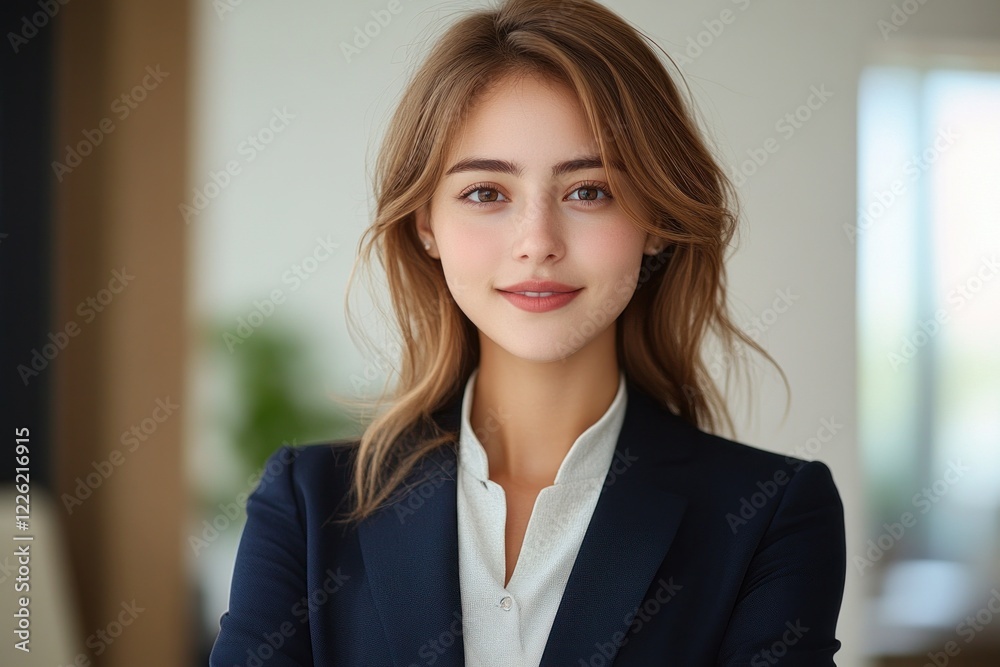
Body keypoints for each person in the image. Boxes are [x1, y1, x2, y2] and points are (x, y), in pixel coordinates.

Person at [209, 0, 846, 665]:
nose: (537, 242)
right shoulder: (306, 506)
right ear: (426, 223)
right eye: (486, 192)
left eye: (590, 190)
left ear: (655, 216)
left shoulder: (770, 517)